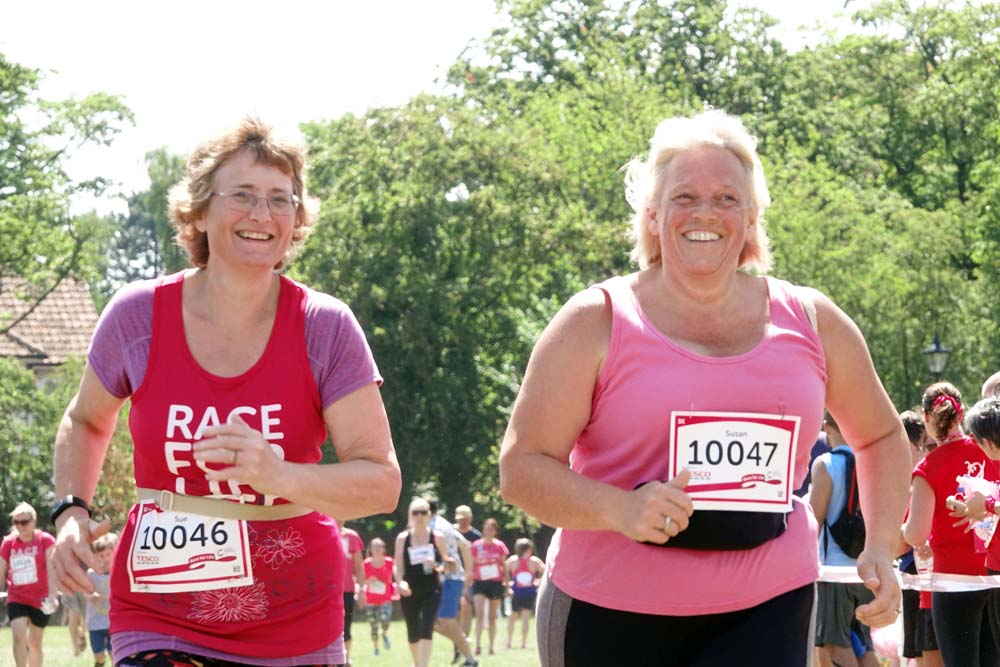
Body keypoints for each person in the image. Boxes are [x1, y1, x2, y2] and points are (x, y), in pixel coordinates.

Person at [498, 109, 909, 666]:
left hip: (769, 607)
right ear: (652, 213)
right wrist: (619, 508)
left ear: (752, 217)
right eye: (684, 197)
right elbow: (522, 469)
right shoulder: (594, 321)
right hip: (609, 614)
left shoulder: (813, 321)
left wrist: (881, 545)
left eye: (726, 198)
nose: (705, 214)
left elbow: (882, 436)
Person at [49, 117, 401, 667]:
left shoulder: (324, 326)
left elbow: (381, 482)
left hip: (295, 620)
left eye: (280, 200)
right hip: (158, 614)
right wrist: (71, 510)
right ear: (200, 209)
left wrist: (278, 474)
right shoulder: (137, 316)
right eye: (243, 195)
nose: (262, 215)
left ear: (297, 219)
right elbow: (87, 421)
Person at [903, 382, 999, 666]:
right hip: (992, 571)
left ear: (927, 418)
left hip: (952, 580)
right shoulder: (989, 446)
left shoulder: (928, 467)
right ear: (962, 413)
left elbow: (916, 534)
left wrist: (902, 531)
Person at [810, 414, 878, 667]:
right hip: (864, 569)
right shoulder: (869, 462)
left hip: (832, 570)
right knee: (863, 644)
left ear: (827, 427)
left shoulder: (826, 464)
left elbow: (815, 519)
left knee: (834, 647)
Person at [947, 396, 1000, 659]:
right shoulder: (992, 467)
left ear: (987, 442)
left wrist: (987, 504)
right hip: (994, 568)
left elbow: (993, 504)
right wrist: (969, 509)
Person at [897, 411, 941, 667]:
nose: (929, 452)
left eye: (931, 445)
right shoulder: (909, 481)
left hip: (936, 585)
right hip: (915, 578)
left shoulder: (924, 474)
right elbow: (898, 544)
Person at [395, 497, 452, 667]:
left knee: (427, 626)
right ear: (410, 515)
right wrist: (400, 582)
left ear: (429, 515)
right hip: (409, 590)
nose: (419, 516)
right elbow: (397, 566)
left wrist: (437, 565)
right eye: (415, 512)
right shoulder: (402, 538)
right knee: (413, 630)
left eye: (423, 512)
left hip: (431, 588)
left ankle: (423, 665)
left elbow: (447, 564)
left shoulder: (438, 537)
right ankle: (417, 663)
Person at [1, 503, 58, 667]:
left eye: (24, 522)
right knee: (18, 635)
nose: (20, 526)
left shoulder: (45, 540)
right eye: (16, 522)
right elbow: (1, 569)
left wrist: (53, 595)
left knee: (34, 642)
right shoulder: (8, 543)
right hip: (16, 597)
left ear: (33, 521)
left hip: (41, 598)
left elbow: (52, 568)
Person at [427, 497, 478, 667]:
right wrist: (468, 572)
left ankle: (470, 657)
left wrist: (468, 573)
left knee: (445, 620)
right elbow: (464, 545)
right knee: (432, 621)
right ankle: (465, 645)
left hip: (449, 579)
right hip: (446, 579)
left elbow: (465, 546)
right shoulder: (444, 524)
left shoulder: (435, 527)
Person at [470, 518, 508, 656]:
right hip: (479, 582)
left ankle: (491, 646)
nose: (488, 532)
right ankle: (478, 645)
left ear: (495, 531)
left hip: (495, 583)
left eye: (491, 529)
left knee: (492, 617)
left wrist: (507, 584)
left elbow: (504, 566)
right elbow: (471, 565)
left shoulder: (500, 546)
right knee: (479, 614)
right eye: (486, 529)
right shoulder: (476, 546)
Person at [505, 537, 545, 650]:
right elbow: (503, 570)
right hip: (516, 592)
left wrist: (539, 582)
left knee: (524, 618)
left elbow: (546, 570)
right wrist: (508, 586)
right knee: (514, 617)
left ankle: (522, 642)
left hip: (528, 592)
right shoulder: (513, 561)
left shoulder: (533, 561)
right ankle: (510, 641)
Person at [453, 505, 481, 654]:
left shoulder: (476, 536)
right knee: (455, 611)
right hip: (453, 576)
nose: (462, 522)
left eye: (465, 519)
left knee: (467, 609)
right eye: (460, 519)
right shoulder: (450, 533)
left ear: (470, 518)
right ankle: (457, 643)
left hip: (470, 578)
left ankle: (464, 641)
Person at [87, 533, 117, 667]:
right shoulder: (91, 573)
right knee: (99, 657)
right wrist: (91, 595)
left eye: (108, 555)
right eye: (101, 555)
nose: (104, 559)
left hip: (113, 623)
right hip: (95, 623)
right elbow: (85, 592)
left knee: (114, 655)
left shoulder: (118, 572)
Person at [339, 522, 367, 667]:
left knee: (346, 626)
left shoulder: (351, 536)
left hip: (347, 590)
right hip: (325, 591)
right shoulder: (322, 530)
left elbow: (359, 566)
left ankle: (346, 659)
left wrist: (362, 590)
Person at [362, 537, 395, 656]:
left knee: (385, 619)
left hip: (385, 598)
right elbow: (360, 582)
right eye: (374, 547)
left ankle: (385, 633)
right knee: (373, 625)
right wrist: (368, 581)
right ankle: (376, 649)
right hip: (370, 600)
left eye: (379, 546)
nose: (376, 549)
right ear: (370, 549)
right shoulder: (365, 563)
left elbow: (395, 577)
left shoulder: (390, 562)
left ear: (383, 549)